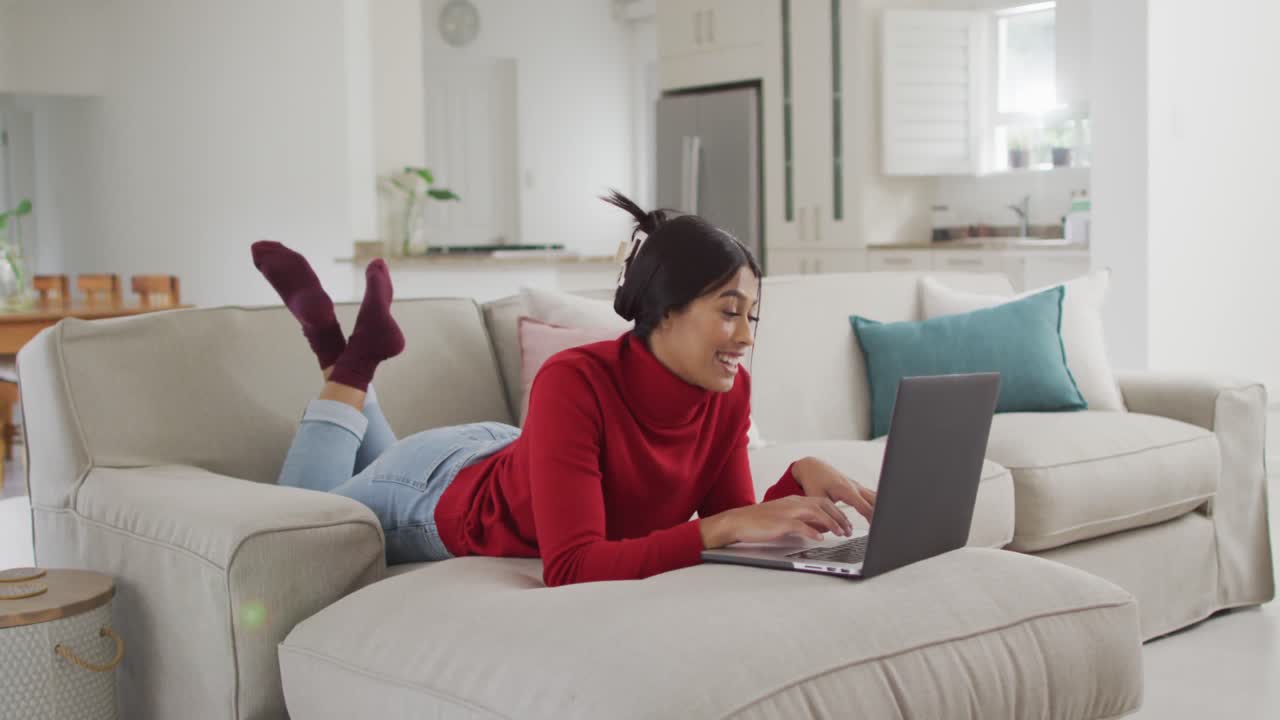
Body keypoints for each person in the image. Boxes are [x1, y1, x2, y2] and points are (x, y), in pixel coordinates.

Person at [252, 191, 876, 588]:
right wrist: (722, 528)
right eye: (729, 311)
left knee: (356, 473)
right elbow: (573, 566)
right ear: (665, 311)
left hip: (506, 452)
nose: (745, 337)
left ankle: (345, 359)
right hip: (436, 493)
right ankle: (352, 366)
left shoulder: (726, 392)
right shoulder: (574, 382)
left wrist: (800, 477)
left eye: (754, 316)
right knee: (292, 526)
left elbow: (729, 521)